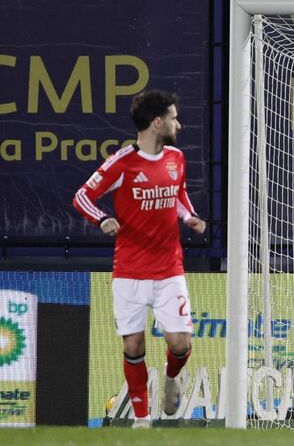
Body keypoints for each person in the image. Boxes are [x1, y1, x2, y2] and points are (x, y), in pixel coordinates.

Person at [73, 90, 206, 428]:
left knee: (180, 343)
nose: (179, 123)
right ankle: (142, 420)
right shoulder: (122, 163)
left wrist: (189, 216)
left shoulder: (176, 157)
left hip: (169, 268)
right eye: (174, 117)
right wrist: (102, 219)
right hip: (130, 269)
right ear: (156, 122)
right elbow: (82, 196)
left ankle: (172, 379)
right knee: (133, 344)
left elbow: (179, 193)